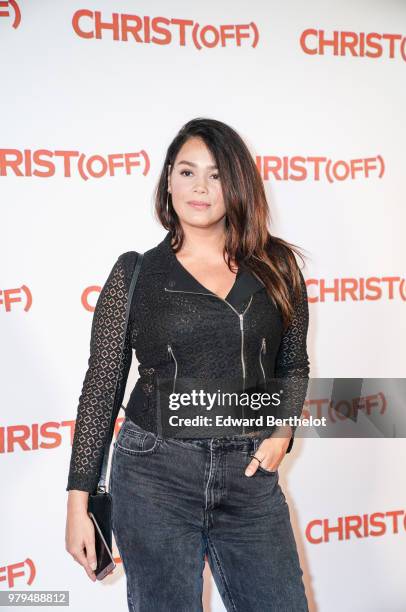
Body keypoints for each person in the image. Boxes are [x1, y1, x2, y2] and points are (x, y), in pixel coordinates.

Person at [65, 118, 310, 611]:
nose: (200, 187)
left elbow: (294, 364)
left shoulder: (278, 266)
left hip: (249, 476)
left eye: (217, 175)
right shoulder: (134, 273)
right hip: (155, 473)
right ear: (168, 181)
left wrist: (280, 434)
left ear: (237, 184)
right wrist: (78, 499)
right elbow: (102, 388)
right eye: (186, 171)